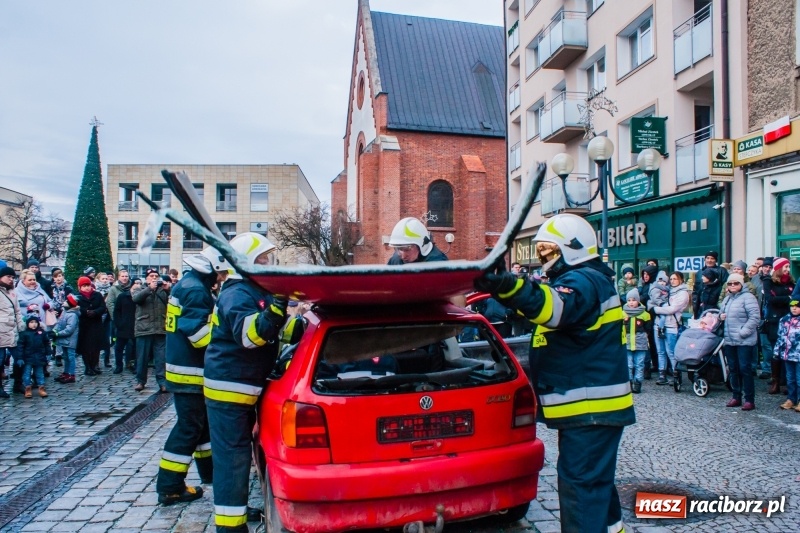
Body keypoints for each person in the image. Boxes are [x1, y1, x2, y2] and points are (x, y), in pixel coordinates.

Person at [475, 213, 634, 533]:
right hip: (594, 412)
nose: (544, 259)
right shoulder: (590, 280)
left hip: (590, 410)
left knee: (581, 492)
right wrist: (507, 291)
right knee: (595, 484)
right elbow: (543, 304)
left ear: (571, 249)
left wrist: (508, 285)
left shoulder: (583, 281)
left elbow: (553, 308)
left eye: (548, 251)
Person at [204, 233, 288, 532]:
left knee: (238, 457)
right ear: (248, 262)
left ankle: (236, 513)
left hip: (241, 386)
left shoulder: (249, 290)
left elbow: (275, 330)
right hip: (230, 389)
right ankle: (230, 527)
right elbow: (251, 336)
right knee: (232, 460)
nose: (268, 263)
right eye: (263, 258)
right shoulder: (237, 293)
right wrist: (278, 307)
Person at [156, 247, 229, 506]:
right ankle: (170, 486)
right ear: (210, 268)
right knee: (189, 428)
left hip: (184, 368)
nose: (221, 277)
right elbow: (198, 336)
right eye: (220, 272)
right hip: (191, 372)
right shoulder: (196, 291)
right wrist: (226, 336)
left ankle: (209, 474)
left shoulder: (187, 284)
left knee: (200, 426)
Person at [719, 273, 760, 411]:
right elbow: (721, 314)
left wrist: (743, 332)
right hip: (730, 340)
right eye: (730, 284)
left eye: (735, 283)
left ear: (741, 284)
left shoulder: (748, 297)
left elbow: (754, 317)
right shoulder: (727, 299)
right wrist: (721, 316)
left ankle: (749, 399)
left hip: (744, 340)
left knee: (745, 369)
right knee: (733, 369)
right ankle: (736, 396)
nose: (732, 286)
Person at [132, 268, 169, 392]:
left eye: (156, 276)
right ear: (146, 278)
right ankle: (140, 381)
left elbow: (171, 301)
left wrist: (167, 289)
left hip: (160, 328)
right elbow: (136, 299)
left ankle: (162, 382)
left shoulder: (162, 290)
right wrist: (149, 289)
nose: (154, 278)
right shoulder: (139, 288)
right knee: (142, 357)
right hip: (144, 327)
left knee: (161, 358)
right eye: (151, 276)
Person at [652, 272, 691, 386]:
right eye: (671, 279)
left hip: (672, 325)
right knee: (660, 351)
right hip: (659, 324)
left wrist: (655, 310)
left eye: (675, 279)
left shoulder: (683, 293)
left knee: (671, 352)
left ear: (681, 280)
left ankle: (676, 374)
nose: (673, 281)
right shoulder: (667, 290)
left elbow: (672, 309)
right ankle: (662, 374)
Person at [763, 257, 795, 395]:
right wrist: (788, 299)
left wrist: (788, 299)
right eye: (785, 267)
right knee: (776, 351)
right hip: (775, 320)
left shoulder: (791, 282)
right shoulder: (769, 281)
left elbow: (796, 299)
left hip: (790, 321)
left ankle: (788, 381)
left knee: (789, 352)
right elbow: (771, 300)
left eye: (788, 267)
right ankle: (776, 380)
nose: (787, 269)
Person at [75, 276, 107, 376]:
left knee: (96, 347)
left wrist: (96, 312)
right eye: (84, 286)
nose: (87, 288)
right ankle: (87, 367)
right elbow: (76, 308)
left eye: (88, 285)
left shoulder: (97, 295)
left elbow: (103, 307)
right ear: (80, 287)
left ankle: (94, 365)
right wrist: (86, 312)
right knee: (86, 348)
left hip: (96, 323)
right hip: (84, 325)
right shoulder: (78, 296)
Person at [0, 266, 24, 398]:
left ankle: (18, 384)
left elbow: (17, 311)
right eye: (8, 277)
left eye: (13, 277)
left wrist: (21, 326)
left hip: (13, 331)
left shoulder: (13, 292)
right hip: (1, 331)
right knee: (0, 359)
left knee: (20, 358)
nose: (11, 279)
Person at [774, 299, 800, 412]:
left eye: (797, 306)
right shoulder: (784, 320)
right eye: (792, 306)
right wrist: (776, 351)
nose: (794, 308)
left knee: (799, 379)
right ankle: (791, 399)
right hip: (787, 354)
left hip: (798, 355)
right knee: (790, 378)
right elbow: (780, 337)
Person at [623, 288, 651, 394]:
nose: (631, 302)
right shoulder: (623, 313)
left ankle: (638, 383)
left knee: (639, 364)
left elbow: (648, 329)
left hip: (640, 343)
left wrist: (643, 337)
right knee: (629, 364)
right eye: (629, 300)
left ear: (638, 301)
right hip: (627, 343)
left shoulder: (645, 314)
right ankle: (629, 383)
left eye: (633, 300)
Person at [107, 270, 135, 374]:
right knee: (119, 346)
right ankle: (119, 365)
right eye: (122, 276)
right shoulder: (114, 289)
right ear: (119, 277)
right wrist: (116, 320)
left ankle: (130, 363)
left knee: (131, 346)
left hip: (131, 321)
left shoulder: (132, 289)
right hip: (120, 321)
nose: (124, 278)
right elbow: (110, 304)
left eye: (126, 276)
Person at [18, 314, 51, 398]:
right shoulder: (24, 334)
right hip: (28, 358)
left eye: (35, 322)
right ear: (27, 323)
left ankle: (41, 388)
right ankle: (28, 388)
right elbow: (20, 346)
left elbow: (46, 343)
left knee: (40, 373)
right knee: (27, 374)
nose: (34, 324)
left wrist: (48, 353)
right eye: (31, 322)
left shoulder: (42, 333)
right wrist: (20, 357)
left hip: (39, 357)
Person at [51, 294, 80, 384]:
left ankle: (71, 374)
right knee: (66, 357)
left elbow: (69, 329)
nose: (64, 302)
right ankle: (66, 372)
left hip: (70, 340)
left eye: (66, 301)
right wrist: (55, 330)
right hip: (64, 340)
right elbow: (59, 324)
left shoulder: (72, 315)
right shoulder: (65, 313)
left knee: (71, 357)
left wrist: (58, 334)